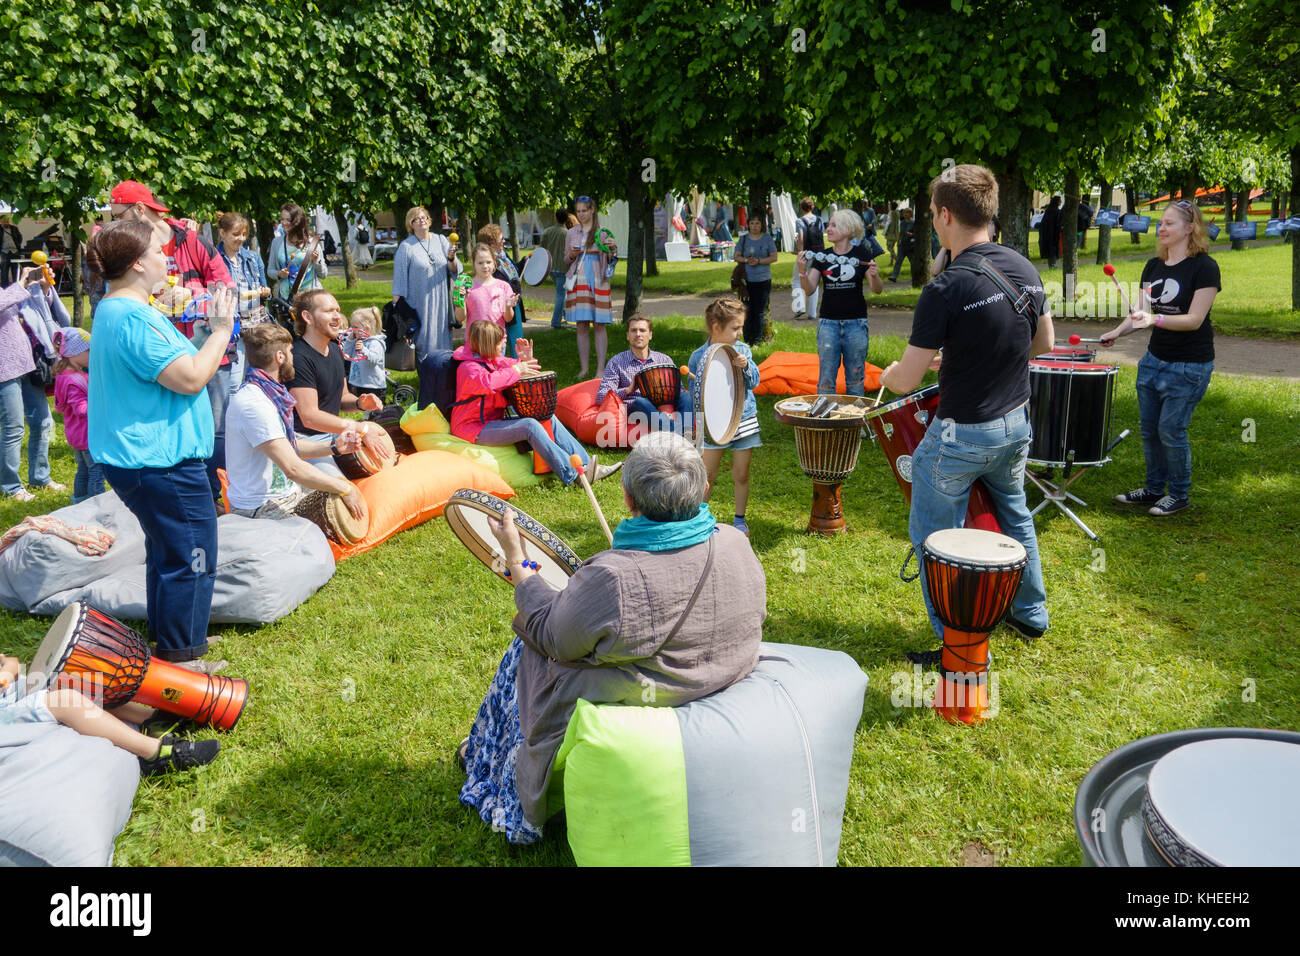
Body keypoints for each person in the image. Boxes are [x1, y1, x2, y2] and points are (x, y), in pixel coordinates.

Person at [458, 431, 764, 844]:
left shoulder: (611, 576)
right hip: (724, 667)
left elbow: (552, 637)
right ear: (704, 488)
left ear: (628, 499)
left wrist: (517, 559)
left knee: (526, 646)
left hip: (657, 686)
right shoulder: (734, 541)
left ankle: (509, 790)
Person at [878, 163, 1053, 660]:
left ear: (945, 215)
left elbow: (907, 381)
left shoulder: (945, 288)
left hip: (961, 436)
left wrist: (891, 375)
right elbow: (1040, 342)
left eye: (933, 213)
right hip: (1016, 425)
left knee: (933, 534)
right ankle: (1031, 614)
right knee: (1015, 515)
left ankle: (954, 638)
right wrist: (960, 355)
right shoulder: (1024, 268)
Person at [87, 219, 235, 669]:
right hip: (160, 462)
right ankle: (183, 670)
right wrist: (222, 330)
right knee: (192, 557)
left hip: (144, 458)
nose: (165, 258)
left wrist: (194, 331)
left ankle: (169, 649)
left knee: (169, 554)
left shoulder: (119, 309)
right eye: (156, 251)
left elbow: (171, 365)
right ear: (136, 263)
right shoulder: (130, 315)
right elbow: (190, 378)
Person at [108, 181, 234, 500]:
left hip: (209, 354)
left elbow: (227, 290)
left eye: (118, 215)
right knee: (173, 428)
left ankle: (213, 495)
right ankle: (183, 493)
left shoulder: (193, 241)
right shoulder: (131, 250)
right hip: (160, 360)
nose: (116, 224)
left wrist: (191, 298)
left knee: (216, 429)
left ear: (139, 209)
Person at [1101, 199, 1219, 517]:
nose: (1161, 228)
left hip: (1189, 365)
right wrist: (1116, 332)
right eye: (1160, 223)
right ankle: (1154, 489)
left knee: (1171, 430)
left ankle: (1178, 494)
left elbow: (1193, 320)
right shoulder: (1154, 266)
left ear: (1190, 228)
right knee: (1150, 429)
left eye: (1169, 223)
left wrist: (1155, 320)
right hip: (1153, 361)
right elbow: (1140, 314)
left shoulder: (1204, 267)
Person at [224, 323, 368, 521]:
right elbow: (293, 468)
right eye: (291, 352)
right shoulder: (254, 404)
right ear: (280, 357)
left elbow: (288, 447)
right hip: (259, 509)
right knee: (338, 517)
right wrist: (345, 488)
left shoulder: (268, 393)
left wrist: (334, 447)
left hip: (286, 495)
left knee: (344, 512)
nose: (294, 357)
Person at [451, 320, 618, 487]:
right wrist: (516, 370)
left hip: (493, 421)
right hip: (473, 427)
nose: (503, 345)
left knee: (548, 417)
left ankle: (588, 466)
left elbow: (525, 369)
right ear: (487, 344)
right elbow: (489, 382)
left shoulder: (493, 361)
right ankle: (573, 475)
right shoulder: (468, 368)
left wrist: (525, 359)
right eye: (500, 341)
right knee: (529, 426)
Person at [1, 653, 219, 775]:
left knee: (72, 681)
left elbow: (11, 661)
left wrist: (8, 673)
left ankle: (152, 720)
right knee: (65, 700)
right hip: (6, 719)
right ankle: (157, 754)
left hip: (19, 691)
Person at [288, 289, 388, 477]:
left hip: (334, 433)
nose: (337, 317)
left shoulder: (334, 350)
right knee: (342, 494)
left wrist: (359, 403)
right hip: (307, 442)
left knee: (383, 468)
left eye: (337, 310)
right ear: (307, 317)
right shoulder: (298, 357)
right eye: (328, 311)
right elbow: (309, 417)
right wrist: (360, 428)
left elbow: (342, 398)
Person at [688, 297, 761, 535]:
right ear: (716, 328)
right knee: (706, 474)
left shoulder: (743, 350)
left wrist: (746, 367)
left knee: (742, 472)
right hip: (713, 423)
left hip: (744, 418)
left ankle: (740, 519)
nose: (740, 332)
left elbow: (754, 383)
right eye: (735, 328)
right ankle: (698, 520)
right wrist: (698, 427)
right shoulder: (698, 356)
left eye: (741, 327)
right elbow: (696, 397)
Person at [799, 210, 883, 397]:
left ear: (848, 229)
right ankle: (825, 421)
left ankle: (853, 421)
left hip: (856, 323)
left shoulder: (862, 254)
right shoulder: (822, 256)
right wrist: (802, 271)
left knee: (855, 377)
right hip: (829, 323)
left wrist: (875, 275)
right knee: (827, 379)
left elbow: (877, 289)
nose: (827, 229)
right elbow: (809, 289)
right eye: (828, 225)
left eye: (833, 225)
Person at [0, 267, 66, 501]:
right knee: (13, 428)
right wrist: (22, 283)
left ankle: (40, 476)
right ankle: (11, 487)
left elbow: (20, 307)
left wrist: (43, 289)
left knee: (43, 421)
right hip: (4, 371)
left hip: (25, 364)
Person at [596, 314, 693, 435]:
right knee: (640, 401)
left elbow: (681, 390)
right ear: (627, 335)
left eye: (642, 330)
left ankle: (679, 433)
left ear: (650, 335)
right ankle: (680, 436)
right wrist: (628, 390)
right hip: (637, 407)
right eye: (633, 330)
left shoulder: (664, 359)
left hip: (664, 404)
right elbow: (601, 397)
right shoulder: (616, 362)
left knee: (687, 397)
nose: (638, 334)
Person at [392, 205, 460, 360]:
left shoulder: (442, 241)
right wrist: (398, 313)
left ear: (429, 221)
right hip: (418, 305)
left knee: (443, 344)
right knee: (422, 344)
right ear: (411, 224)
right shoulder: (406, 247)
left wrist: (451, 258)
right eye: (416, 219)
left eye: (424, 217)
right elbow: (399, 281)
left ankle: (443, 375)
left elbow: (455, 270)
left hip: (441, 304)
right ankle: (426, 378)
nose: (421, 220)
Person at [564, 196, 617, 380]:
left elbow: (611, 259)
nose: (581, 215)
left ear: (592, 210)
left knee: (600, 324)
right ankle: (584, 368)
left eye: (584, 211)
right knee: (581, 325)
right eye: (578, 211)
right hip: (579, 279)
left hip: (599, 279)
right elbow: (566, 260)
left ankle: (600, 369)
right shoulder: (571, 232)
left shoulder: (602, 233)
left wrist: (612, 249)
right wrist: (571, 254)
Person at [52, 329, 104, 504]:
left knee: (83, 469)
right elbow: (81, 409)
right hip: (86, 435)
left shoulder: (64, 375)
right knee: (96, 470)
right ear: (73, 353)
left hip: (76, 435)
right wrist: (101, 405)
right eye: (88, 351)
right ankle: (98, 503)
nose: (92, 354)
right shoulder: (75, 380)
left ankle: (80, 502)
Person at [476, 224, 526, 357]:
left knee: (517, 339)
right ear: (492, 244)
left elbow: (515, 271)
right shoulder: (489, 263)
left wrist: (524, 262)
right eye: (501, 239)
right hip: (498, 308)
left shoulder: (504, 256)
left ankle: (519, 368)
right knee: (498, 341)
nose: (503, 241)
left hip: (514, 303)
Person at [733, 210, 779, 345]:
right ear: (748, 225)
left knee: (759, 311)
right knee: (747, 310)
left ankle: (758, 340)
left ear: (761, 225)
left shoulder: (767, 239)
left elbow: (774, 257)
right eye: (752, 223)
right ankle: (747, 339)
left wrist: (759, 261)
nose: (754, 226)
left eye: (757, 223)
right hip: (746, 281)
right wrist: (747, 261)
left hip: (763, 280)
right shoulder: (743, 239)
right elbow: (736, 256)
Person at [266, 203, 326, 300]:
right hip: (286, 299)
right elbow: (270, 270)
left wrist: (316, 260)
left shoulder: (312, 243)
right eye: (282, 219)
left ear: (297, 221)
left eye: (288, 220)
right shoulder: (276, 243)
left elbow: (323, 274)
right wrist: (279, 274)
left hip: (310, 300)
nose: (284, 223)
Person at [456, 244, 518, 338]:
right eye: (480, 263)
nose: (485, 266)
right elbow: (459, 318)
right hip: (474, 343)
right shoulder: (466, 286)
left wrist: (508, 306)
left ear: (494, 263)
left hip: (497, 342)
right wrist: (463, 301)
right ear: (473, 264)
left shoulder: (504, 287)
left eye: (488, 262)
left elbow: (508, 318)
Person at [342, 306, 387, 405]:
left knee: (374, 410)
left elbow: (374, 360)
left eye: (355, 327)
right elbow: (346, 354)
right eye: (351, 326)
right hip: (359, 383)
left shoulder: (375, 343)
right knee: (362, 407)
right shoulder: (358, 340)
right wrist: (350, 340)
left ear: (366, 328)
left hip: (373, 386)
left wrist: (364, 350)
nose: (352, 329)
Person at [792, 197, 825, 320]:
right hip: (818, 253)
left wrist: (800, 253)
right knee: (814, 281)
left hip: (806, 253)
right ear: (813, 207)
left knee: (797, 279)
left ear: (801, 208)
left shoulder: (800, 221)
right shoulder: (819, 220)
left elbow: (800, 238)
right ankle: (812, 313)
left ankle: (799, 307)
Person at [539, 209, 570, 329]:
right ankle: (556, 322)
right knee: (561, 295)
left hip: (550, 268)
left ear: (556, 217)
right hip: (563, 268)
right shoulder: (567, 234)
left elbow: (541, 250)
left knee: (561, 294)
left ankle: (564, 317)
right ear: (566, 218)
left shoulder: (547, 231)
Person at [890, 207, 915, 282]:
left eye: (906, 212)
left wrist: (911, 234)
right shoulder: (902, 222)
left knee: (913, 262)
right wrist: (898, 242)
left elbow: (917, 233)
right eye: (903, 213)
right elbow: (900, 233)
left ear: (910, 213)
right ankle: (894, 276)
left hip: (911, 245)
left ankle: (914, 277)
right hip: (902, 245)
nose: (904, 214)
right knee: (898, 260)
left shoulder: (914, 222)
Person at [1038, 196, 1062, 268]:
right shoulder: (1057, 211)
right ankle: (1053, 265)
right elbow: (1058, 223)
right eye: (1059, 201)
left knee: (1050, 249)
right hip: (1054, 234)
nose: (1061, 202)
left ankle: (1051, 265)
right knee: (1053, 250)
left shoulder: (1048, 211)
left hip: (1047, 234)